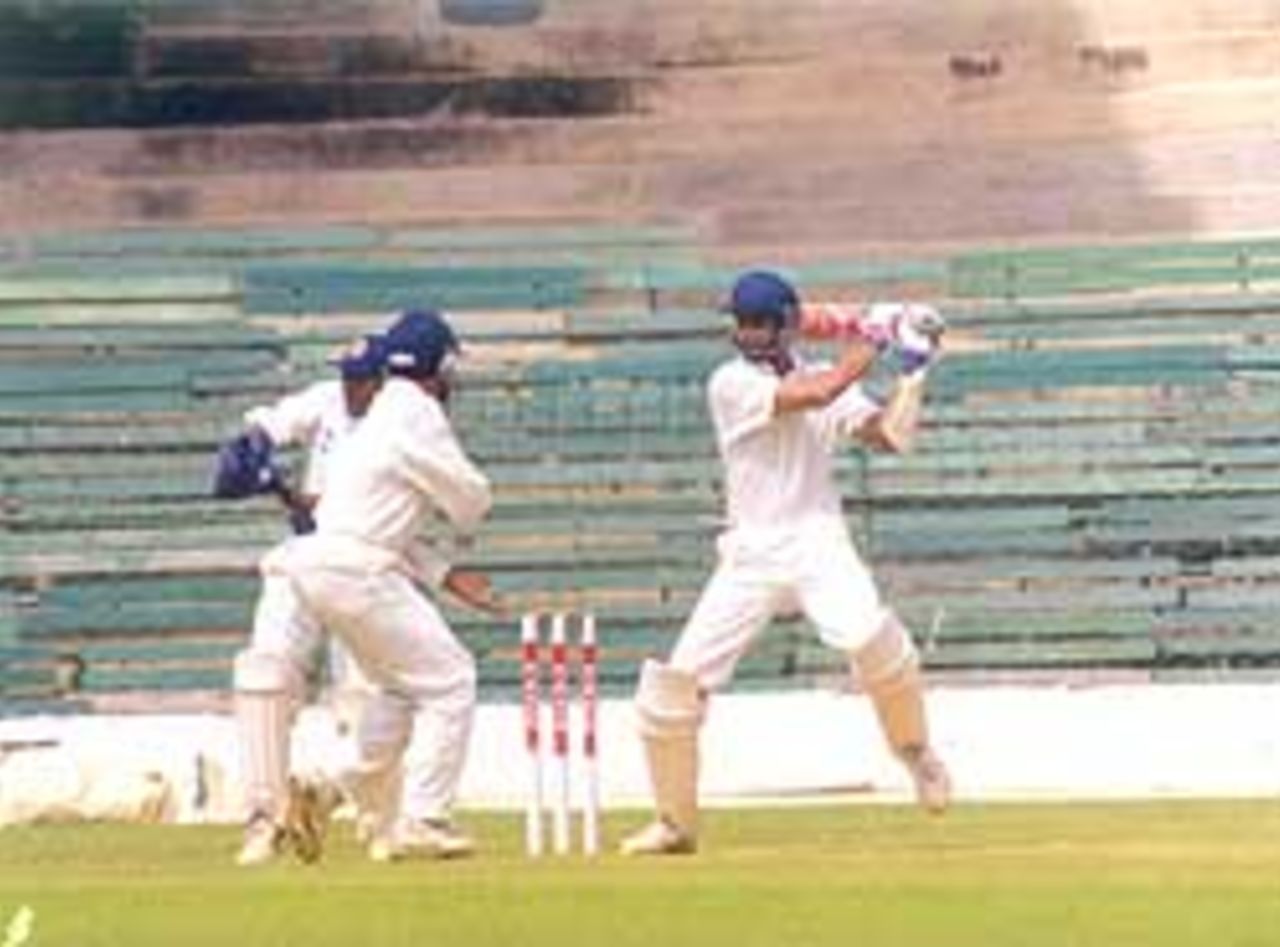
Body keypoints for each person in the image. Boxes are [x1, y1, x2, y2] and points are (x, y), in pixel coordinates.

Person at [619, 270, 953, 856]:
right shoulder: (729, 382)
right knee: (672, 690)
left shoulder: (816, 374)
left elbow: (891, 436)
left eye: (759, 323)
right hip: (751, 551)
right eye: (741, 322)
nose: (747, 333)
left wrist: (913, 373)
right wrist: (873, 336)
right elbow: (815, 395)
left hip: (818, 539)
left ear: (783, 324)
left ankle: (916, 753)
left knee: (871, 637)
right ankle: (675, 824)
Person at [271, 308, 501, 863]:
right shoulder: (417, 411)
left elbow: (379, 510)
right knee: (452, 682)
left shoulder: (380, 413)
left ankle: (327, 789)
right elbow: (471, 502)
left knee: (402, 692)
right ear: (440, 367)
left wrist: (441, 567)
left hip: (322, 565)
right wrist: (466, 498)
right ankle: (424, 818)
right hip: (358, 569)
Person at [219, 335, 387, 866]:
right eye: (348, 376)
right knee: (263, 674)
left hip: (370, 565)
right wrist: (256, 444)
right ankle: (266, 819)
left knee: (367, 696)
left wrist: (302, 498)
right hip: (306, 556)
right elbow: (275, 421)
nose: (352, 388)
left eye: (363, 378)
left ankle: (371, 813)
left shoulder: (409, 426)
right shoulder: (328, 400)